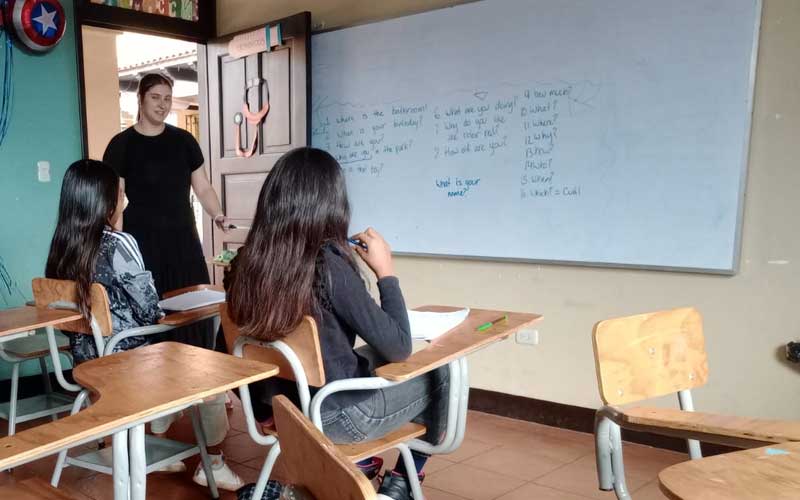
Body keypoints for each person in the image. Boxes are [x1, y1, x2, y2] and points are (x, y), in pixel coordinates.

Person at [227, 147, 449, 500]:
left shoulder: (245, 264)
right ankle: (406, 479)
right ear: (331, 204)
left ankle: (360, 466)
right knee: (443, 371)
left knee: (360, 354)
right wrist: (385, 272)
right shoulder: (328, 266)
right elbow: (398, 345)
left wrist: (260, 408)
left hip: (288, 414)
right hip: (339, 416)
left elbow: (236, 345)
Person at [44, 160, 243, 491]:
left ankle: (150, 440)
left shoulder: (59, 250)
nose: (124, 199)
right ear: (107, 202)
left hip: (86, 365)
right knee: (211, 382)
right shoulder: (119, 243)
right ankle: (214, 463)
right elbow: (152, 310)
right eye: (120, 194)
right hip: (131, 368)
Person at [102, 72, 229, 349]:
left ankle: (201, 378)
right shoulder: (121, 145)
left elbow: (204, 187)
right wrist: (116, 245)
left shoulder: (184, 141)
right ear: (140, 99)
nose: (162, 104)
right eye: (155, 97)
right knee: (151, 312)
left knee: (194, 313)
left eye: (168, 98)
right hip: (143, 244)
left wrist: (217, 214)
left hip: (183, 241)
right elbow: (117, 199)